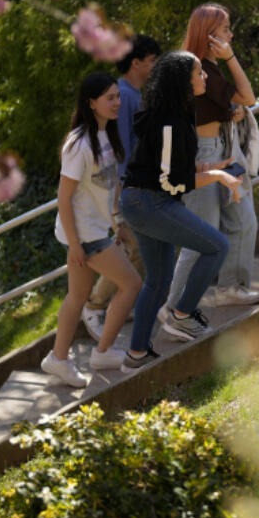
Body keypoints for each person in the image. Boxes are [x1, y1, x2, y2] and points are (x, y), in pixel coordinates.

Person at [119, 51, 242, 370]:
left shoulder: (175, 112)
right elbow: (172, 182)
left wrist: (207, 166)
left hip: (142, 200)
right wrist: (215, 177)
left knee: (158, 279)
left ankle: (136, 354)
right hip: (149, 203)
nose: (205, 77)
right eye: (199, 73)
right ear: (181, 81)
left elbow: (168, 167)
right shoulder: (170, 121)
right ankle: (183, 314)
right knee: (218, 246)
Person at [42, 72, 142, 386]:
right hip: (85, 235)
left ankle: (58, 359)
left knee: (78, 296)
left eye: (117, 95)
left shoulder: (106, 136)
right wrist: (75, 245)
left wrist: (119, 222)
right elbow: (64, 197)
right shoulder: (79, 143)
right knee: (131, 283)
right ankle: (102, 351)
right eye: (110, 97)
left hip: (96, 230)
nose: (117, 102)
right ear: (91, 103)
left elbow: (110, 186)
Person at [165, 3, 259, 311]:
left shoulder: (207, 67)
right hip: (202, 155)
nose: (231, 35)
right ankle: (171, 308)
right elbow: (248, 97)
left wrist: (227, 114)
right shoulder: (198, 68)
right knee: (202, 237)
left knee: (242, 220)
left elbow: (228, 103)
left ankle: (230, 288)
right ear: (209, 35)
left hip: (221, 148)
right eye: (225, 30)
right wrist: (231, 58)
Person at [81, 34, 160, 341]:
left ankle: (116, 303)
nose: (155, 66)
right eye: (152, 60)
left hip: (135, 186)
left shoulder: (132, 93)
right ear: (136, 62)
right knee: (130, 247)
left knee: (138, 248)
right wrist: (121, 200)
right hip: (126, 189)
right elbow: (121, 149)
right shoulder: (124, 95)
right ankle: (95, 305)